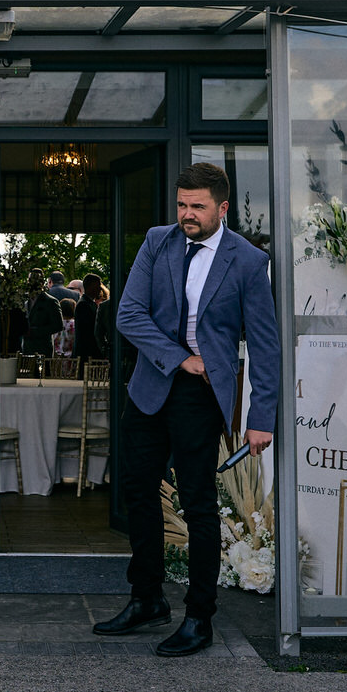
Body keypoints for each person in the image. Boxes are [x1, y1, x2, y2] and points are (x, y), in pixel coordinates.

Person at [98, 162, 281, 657]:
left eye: (197, 206)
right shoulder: (158, 242)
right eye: (181, 204)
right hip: (152, 385)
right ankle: (147, 598)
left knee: (198, 504)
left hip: (202, 395)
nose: (186, 214)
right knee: (138, 492)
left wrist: (260, 418)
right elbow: (128, 314)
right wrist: (180, 357)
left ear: (222, 208)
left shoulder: (247, 261)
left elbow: (265, 345)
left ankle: (199, 616)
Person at [23, 269, 62, 354]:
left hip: (43, 349)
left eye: (37, 280)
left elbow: (58, 325)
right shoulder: (24, 300)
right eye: (31, 280)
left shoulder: (51, 301)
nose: (33, 283)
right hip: (26, 348)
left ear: (42, 282)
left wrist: (35, 331)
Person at [73, 273, 108, 361]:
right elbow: (89, 332)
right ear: (90, 286)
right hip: (87, 353)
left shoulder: (86, 303)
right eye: (98, 285)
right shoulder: (84, 305)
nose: (100, 288)